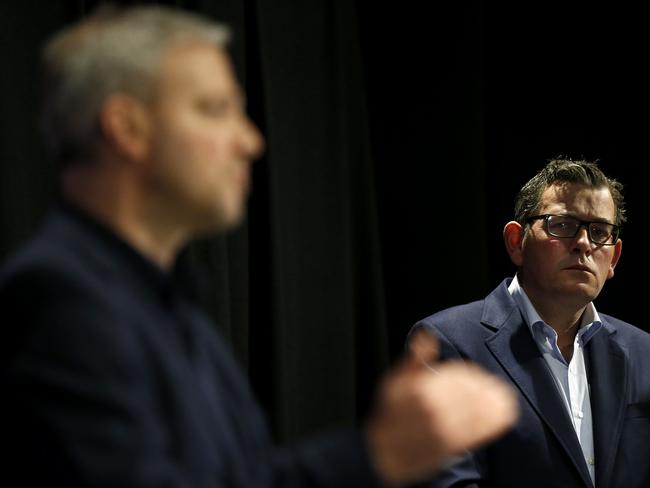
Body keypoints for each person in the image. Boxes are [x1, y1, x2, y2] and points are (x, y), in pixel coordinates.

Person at [0, 5, 518, 487]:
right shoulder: (59, 296)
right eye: (215, 108)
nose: (250, 140)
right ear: (127, 128)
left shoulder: (171, 308)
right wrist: (375, 453)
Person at [409, 158, 650, 488]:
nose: (584, 243)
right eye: (562, 225)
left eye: (599, 232)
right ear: (516, 242)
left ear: (614, 258)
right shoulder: (447, 344)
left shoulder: (644, 351)